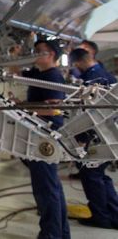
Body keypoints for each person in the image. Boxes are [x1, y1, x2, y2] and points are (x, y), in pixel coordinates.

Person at [22, 39, 71, 239]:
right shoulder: (40, 75)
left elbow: (53, 109)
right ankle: (60, 234)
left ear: (50, 54)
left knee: (46, 190)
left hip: (45, 136)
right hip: (41, 133)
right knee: (51, 187)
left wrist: (22, 108)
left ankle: (51, 235)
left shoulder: (52, 76)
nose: (34, 56)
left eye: (38, 52)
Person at [69, 48, 118, 229]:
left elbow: (91, 115)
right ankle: (114, 214)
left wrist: (81, 138)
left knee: (91, 175)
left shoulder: (93, 79)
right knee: (101, 177)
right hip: (109, 134)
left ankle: (102, 217)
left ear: (78, 62)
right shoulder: (105, 74)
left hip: (99, 137)